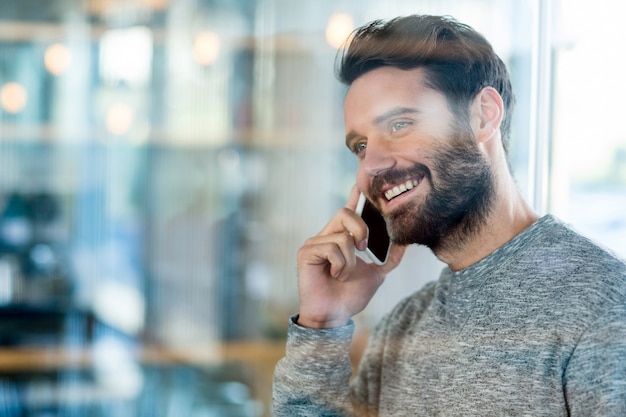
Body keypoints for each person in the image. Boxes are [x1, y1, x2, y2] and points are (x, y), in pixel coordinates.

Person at [272, 14, 626, 417]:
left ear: (483, 116)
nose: (372, 163)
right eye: (360, 145)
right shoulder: (402, 328)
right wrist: (321, 323)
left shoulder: (605, 307)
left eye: (400, 124)